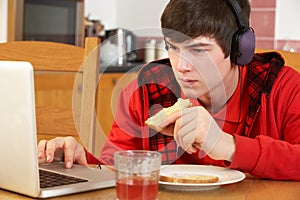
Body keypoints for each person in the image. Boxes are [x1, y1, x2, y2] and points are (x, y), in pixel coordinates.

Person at [38, 0, 300, 181]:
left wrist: (226, 145)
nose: (182, 66)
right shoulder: (145, 92)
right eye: (173, 47)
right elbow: (114, 168)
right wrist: (80, 162)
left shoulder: (284, 89)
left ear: (238, 50)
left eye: (198, 50)